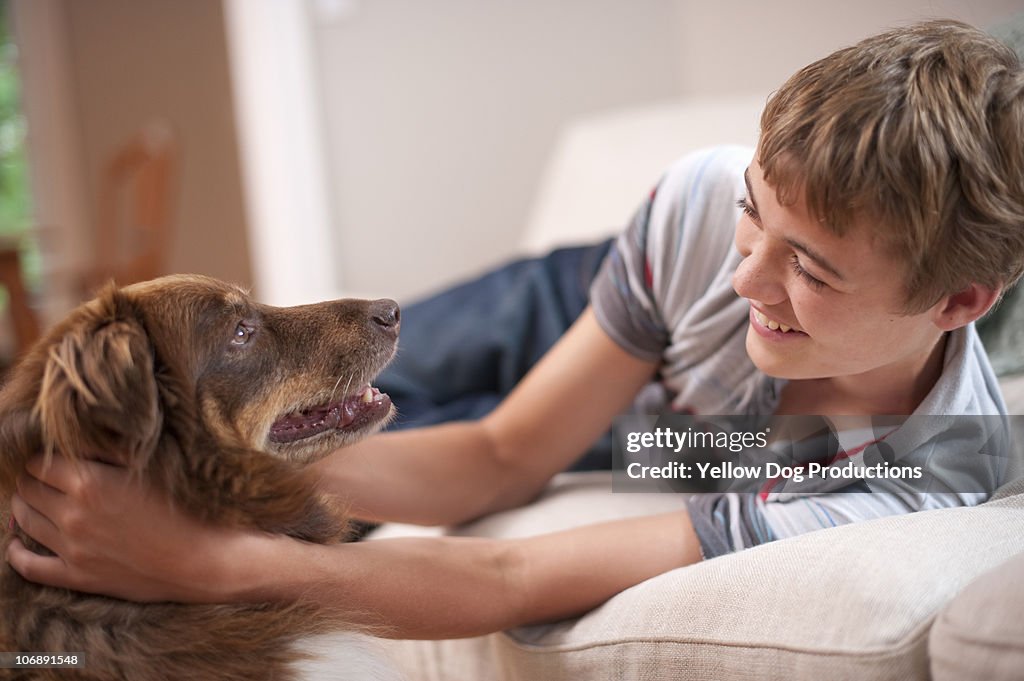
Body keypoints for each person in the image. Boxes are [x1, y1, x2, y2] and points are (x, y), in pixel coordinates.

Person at [7, 19, 1024, 639]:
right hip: (595, 309)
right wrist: (202, 474)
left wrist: (205, 555)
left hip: (670, 434)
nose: (746, 269)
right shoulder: (704, 212)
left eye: (810, 266)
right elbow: (501, 453)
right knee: (225, 420)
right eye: (758, 213)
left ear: (957, 303)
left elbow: (513, 572)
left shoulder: (908, 480)